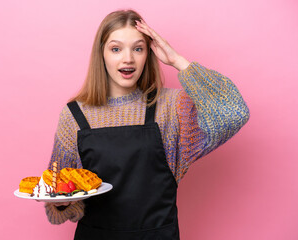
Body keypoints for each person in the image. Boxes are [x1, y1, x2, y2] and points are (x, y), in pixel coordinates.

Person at [43, 9, 250, 240]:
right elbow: (60, 200)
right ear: (101, 54)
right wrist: (61, 202)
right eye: (116, 48)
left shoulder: (171, 108)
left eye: (138, 48)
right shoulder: (74, 115)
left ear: (148, 54)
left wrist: (177, 60)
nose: (128, 58)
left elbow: (234, 112)